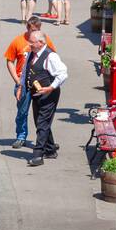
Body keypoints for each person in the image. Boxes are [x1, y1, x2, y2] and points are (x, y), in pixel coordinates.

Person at [4, 14, 56, 147]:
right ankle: (21, 136)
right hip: (23, 83)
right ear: (27, 28)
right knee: (22, 111)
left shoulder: (44, 40)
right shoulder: (18, 41)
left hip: (39, 84)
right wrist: (17, 81)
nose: (35, 33)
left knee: (42, 114)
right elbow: (10, 61)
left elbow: (52, 57)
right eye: (32, 30)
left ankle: (45, 141)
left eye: (37, 30)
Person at [23, 28, 68, 167]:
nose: (29, 45)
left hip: (49, 94)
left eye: (32, 42)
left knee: (42, 122)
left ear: (41, 42)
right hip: (36, 93)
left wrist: (51, 87)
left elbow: (63, 74)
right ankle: (50, 149)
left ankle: (38, 155)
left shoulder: (51, 56)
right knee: (40, 122)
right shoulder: (32, 53)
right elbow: (26, 71)